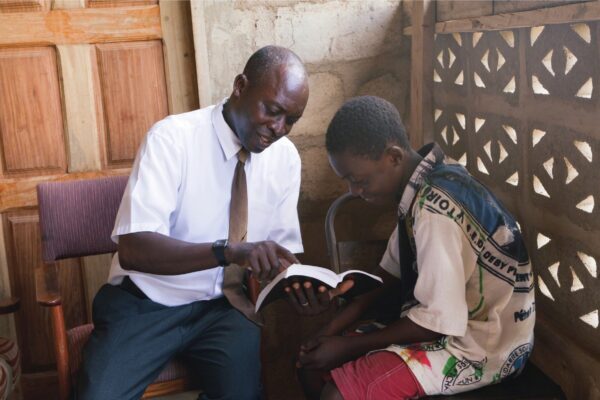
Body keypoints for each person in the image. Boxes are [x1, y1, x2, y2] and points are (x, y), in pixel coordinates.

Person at [76, 46, 310, 400]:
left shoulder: (285, 160)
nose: (278, 128)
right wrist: (228, 252)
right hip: (145, 303)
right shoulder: (173, 139)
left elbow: (277, 257)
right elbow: (134, 248)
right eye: (272, 110)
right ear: (240, 86)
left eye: (291, 120)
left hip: (222, 308)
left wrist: (303, 288)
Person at [292, 96, 535, 400]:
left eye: (359, 180)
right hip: (448, 326)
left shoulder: (435, 211)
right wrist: (330, 329)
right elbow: (384, 278)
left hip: (482, 346)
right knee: (310, 365)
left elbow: (436, 323)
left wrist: (347, 345)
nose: (354, 191)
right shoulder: (424, 185)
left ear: (393, 157)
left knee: (337, 395)